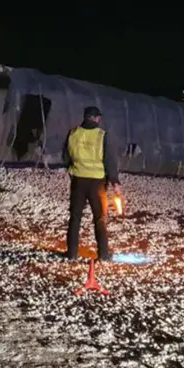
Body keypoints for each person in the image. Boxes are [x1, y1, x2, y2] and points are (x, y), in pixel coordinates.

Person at [61, 106, 122, 261]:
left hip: (78, 181)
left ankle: (72, 254)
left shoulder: (73, 133)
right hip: (97, 183)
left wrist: (72, 170)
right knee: (100, 218)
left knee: (75, 218)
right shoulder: (102, 136)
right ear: (96, 118)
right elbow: (109, 160)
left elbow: (65, 157)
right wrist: (114, 180)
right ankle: (103, 255)